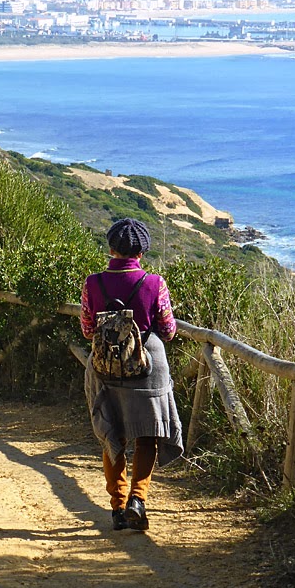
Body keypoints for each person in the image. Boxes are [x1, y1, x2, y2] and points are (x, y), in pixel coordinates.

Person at [80, 218, 183, 531]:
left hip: (105, 369)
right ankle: (138, 500)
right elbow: (167, 330)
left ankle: (118, 507)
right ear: (143, 251)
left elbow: (87, 330)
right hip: (148, 368)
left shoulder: (92, 283)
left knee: (113, 435)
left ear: (111, 248)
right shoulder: (154, 283)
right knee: (147, 434)